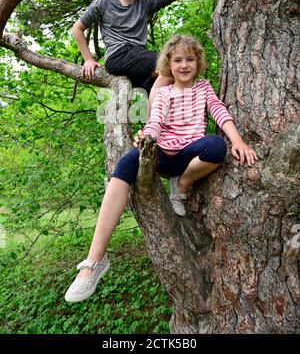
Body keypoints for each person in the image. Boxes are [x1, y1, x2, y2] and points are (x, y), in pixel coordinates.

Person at [64, 34, 258, 303]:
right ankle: (94, 261)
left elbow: (219, 111)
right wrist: (147, 138)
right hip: (163, 154)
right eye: (177, 60)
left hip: (190, 155)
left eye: (190, 59)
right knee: (127, 162)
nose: (184, 65)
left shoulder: (203, 88)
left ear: (198, 61)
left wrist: (237, 140)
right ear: (168, 64)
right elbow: (155, 120)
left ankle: (181, 186)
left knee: (216, 147)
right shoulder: (164, 91)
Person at [72, 0, 231, 96]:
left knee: (168, 90)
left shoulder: (146, 3)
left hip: (139, 60)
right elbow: (77, 28)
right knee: (173, 62)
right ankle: (152, 126)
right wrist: (88, 59)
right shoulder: (105, 3)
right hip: (118, 55)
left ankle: (163, 125)